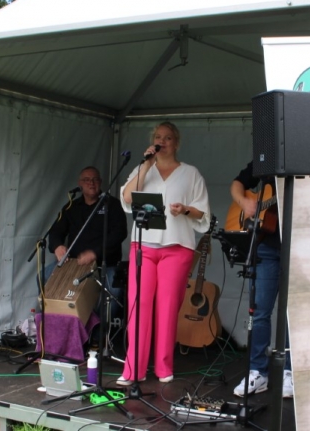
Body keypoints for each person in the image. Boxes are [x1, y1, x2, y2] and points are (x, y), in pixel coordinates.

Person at [117, 121, 211, 385]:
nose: (162, 141)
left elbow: (203, 213)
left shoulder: (191, 173)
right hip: (143, 246)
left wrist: (185, 210)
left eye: (168, 138)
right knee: (139, 306)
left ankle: (163, 367)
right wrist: (146, 165)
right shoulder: (143, 169)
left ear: (176, 143)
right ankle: (133, 369)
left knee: (168, 308)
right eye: (158, 137)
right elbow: (127, 197)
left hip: (177, 248)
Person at [230, 161, 294, 398]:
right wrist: (244, 202)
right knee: (258, 312)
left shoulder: (305, 155)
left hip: (297, 244)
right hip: (265, 244)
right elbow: (238, 183)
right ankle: (258, 372)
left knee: (292, 314)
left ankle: (290, 371)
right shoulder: (267, 157)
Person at [46, 166, 128, 324]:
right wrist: (57, 246)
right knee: (43, 275)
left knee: (113, 290)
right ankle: (56, 326)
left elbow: (119, 234)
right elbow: (55, 231)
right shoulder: (71, 206)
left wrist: (95, 253)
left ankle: (97, 330)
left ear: (101, 182)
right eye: (86, 180)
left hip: (104, 265)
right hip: (74, 265)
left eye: (95, 179)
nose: (91, 183)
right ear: (80, 184)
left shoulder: (112, 205)